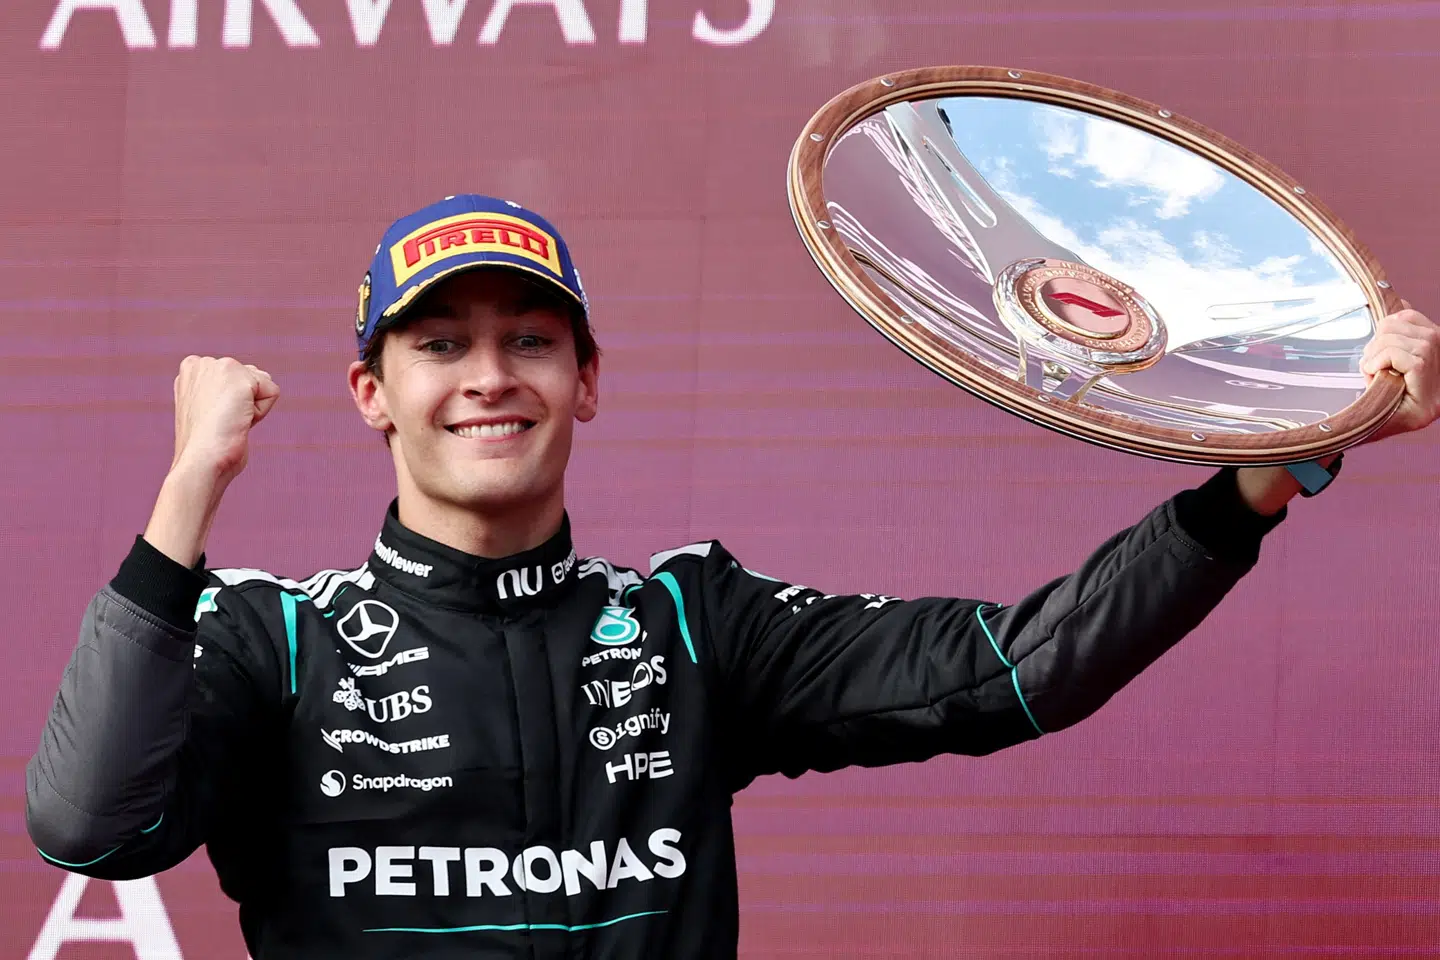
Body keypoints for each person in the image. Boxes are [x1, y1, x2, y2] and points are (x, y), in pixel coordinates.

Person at [26, 195, 1440, 960]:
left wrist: (1275, 466)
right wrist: (186, 495)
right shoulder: (270, 639)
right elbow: (90, 830)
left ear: (587, 383)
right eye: (440, 346)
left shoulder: (694, 624)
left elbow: (1029, 666)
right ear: (371, 393)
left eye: (531, 340)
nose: (489, 377)